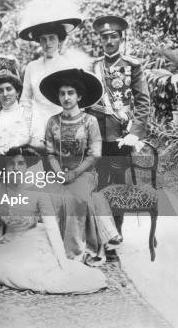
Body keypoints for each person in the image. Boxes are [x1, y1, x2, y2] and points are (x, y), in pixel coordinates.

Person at [0, 147, 107, 294]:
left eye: (20, 164)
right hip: (9, 242)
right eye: (11, 164)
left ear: (27, 166)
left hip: (33, 238)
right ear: (5, 167)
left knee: (34, 270)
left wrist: (62, 259)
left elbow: (51, 227)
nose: (16, 168)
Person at [40, 68, 122, 263]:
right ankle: (54, 248)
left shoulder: (90, 121)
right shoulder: (52, 121)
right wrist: (60, 173)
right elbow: (50, 153)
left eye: (70, 93)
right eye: (62, 93)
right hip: (58, 172)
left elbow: (95, 155)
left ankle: (75, 251)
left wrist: (75, 172)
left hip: (85, 172)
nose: (66, 97)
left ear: (79, 96)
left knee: (77, 198)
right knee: (49, 197)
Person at [88, 16, 151, 193]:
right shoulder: (93, 67)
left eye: (113, 36)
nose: (109, 41)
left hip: (121, 135)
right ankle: (99, 220)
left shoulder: (132, 66)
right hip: (96, 134)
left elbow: (143, 101)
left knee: (119, 183)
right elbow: (85, 102)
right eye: (105, 37)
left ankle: (117, 220)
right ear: (100, 40)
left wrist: (135, 133)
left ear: (121, 39)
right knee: (97, 181)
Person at [19, 14, 91, 145]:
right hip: (37, 127)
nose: (47, 43)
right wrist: (26, 128)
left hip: (64, 124)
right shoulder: (32, 67)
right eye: (43, 39)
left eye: (52, 38)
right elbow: (25, 101)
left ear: (59, 40)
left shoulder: (69, 66)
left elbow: (78, 102)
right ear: (39, 41)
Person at [0, 71, 33, 161]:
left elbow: (36, 144)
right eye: (0, 91)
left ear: (18, 92)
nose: (5, 94)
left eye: (9, 89)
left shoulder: (30, 113)